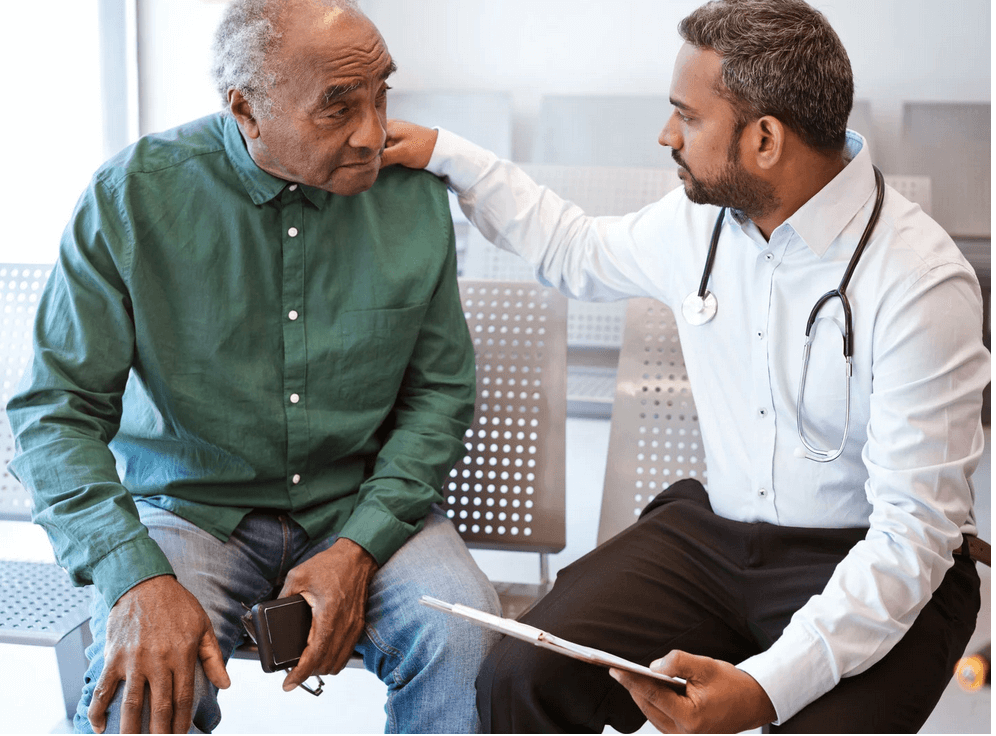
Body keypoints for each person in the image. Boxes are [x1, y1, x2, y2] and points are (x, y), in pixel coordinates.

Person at [381, 0, 990, 732]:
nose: (667, 135)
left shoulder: (922, 281)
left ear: (764, 138)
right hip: (715, 539)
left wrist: (764, 687)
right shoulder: (698, 221)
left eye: (688, 117)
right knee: (520, 677)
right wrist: (446, 150)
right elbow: (573, 246)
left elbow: (912, 536)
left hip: (876, 557)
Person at [5, 0, 501, 733]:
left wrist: (360, 545)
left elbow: (439, 394)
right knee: (139, 695)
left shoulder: (413, 199)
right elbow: (54, 413)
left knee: (475, 650)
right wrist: (134, 576)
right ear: (246, 108)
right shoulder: (132, 198)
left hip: (359, 503)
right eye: (337, 109)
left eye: (381, 95)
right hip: (188, 508)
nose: (373, 132)